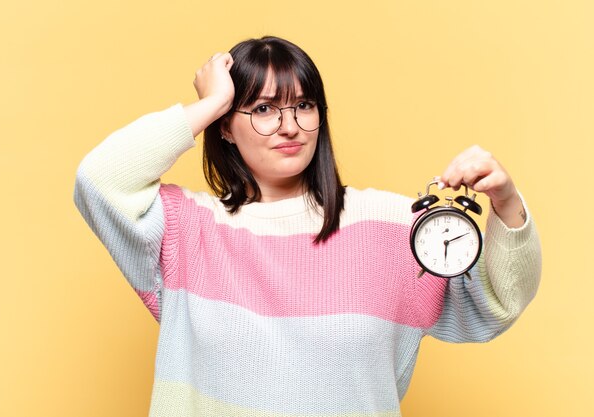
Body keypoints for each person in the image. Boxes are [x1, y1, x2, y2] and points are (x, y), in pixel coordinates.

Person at [74, 36, 541, 417]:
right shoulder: (185, 230)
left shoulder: (389, 227)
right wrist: (212, 101)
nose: (289, 125)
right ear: (224, 127)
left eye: (304, 105)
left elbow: (494, 303)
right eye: (261, 109)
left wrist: (505, 200)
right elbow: (99, 180)